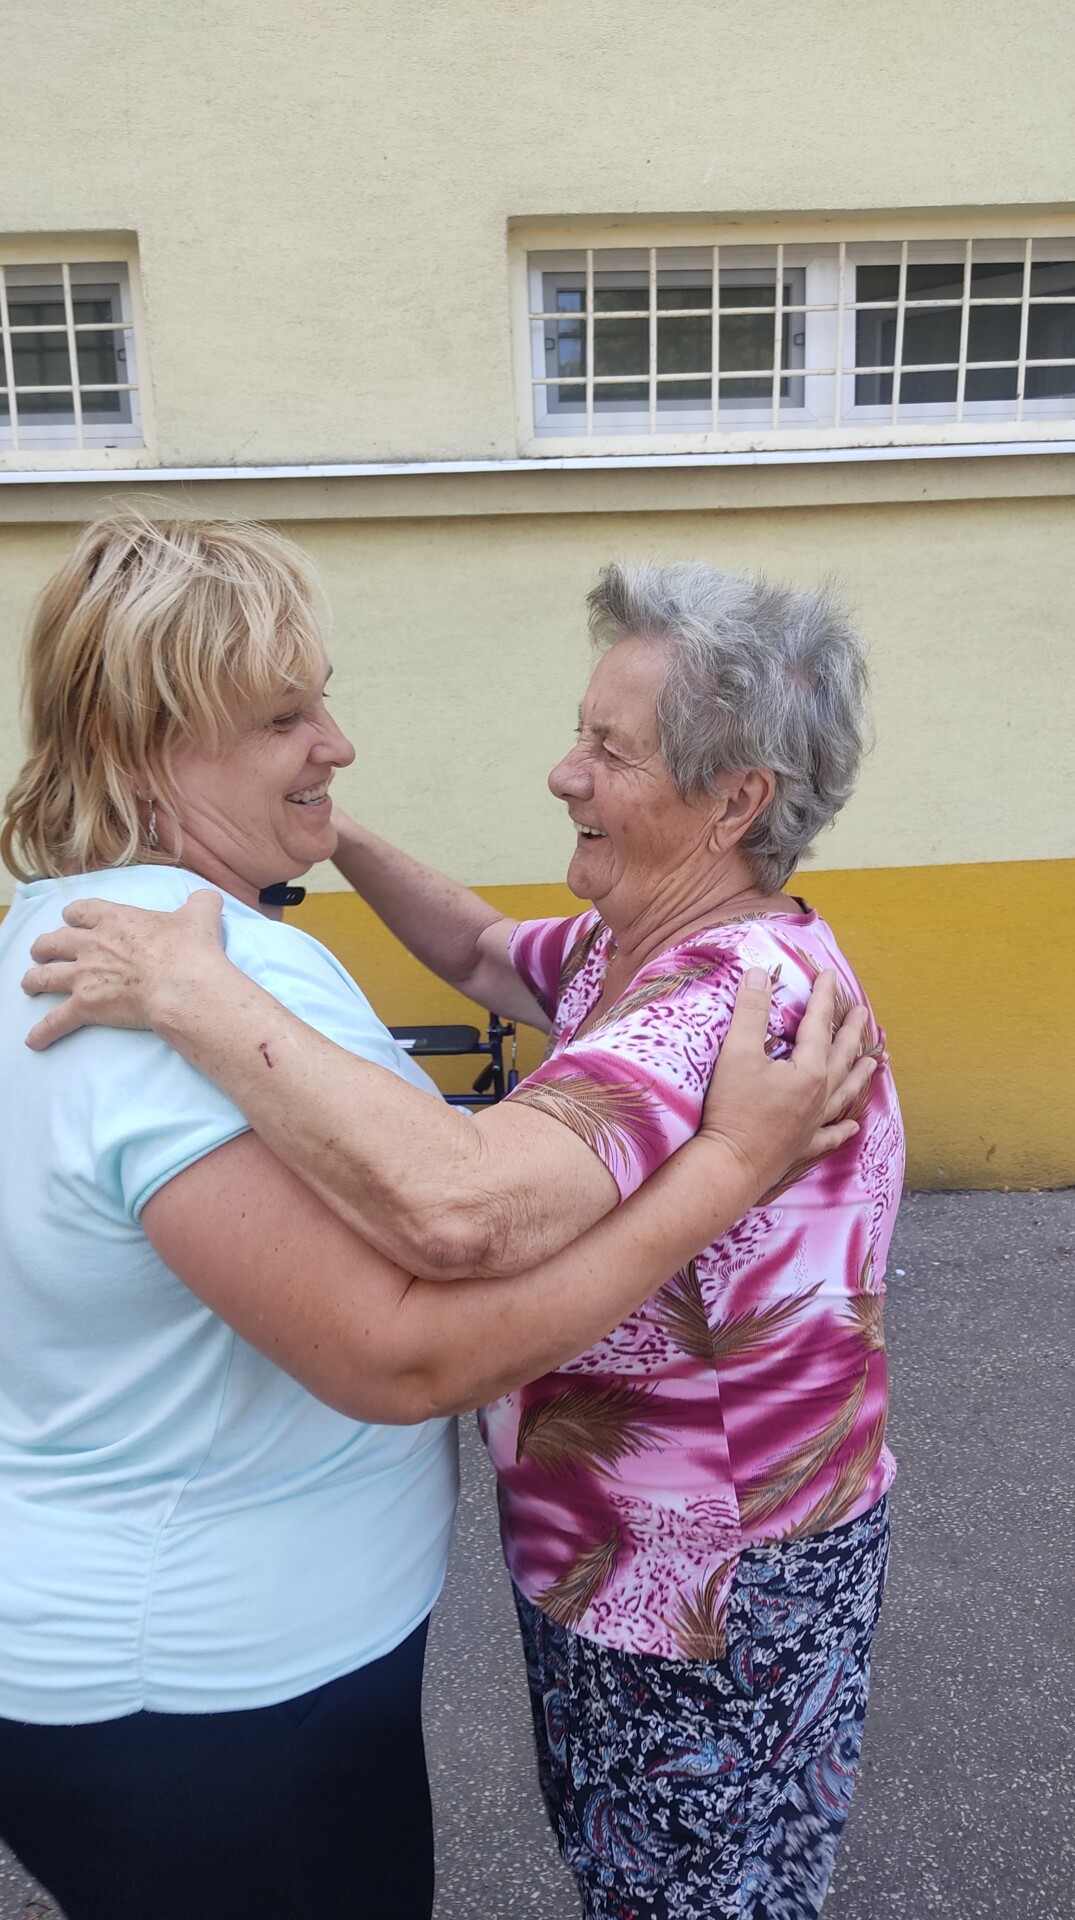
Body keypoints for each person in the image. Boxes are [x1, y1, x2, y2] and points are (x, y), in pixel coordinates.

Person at [0, 520, 869, 1920]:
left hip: (708, 1568)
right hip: (608, 1554)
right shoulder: (623, 947)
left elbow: (466, 1206)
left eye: (610, 748)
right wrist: (317, 829)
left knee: (702, 1892)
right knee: (637, 1869)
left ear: (734, 800)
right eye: (283, 716)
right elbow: (476, 945)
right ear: (156, 743)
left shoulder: (729, 999)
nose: (564, 770)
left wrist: (205, 980)